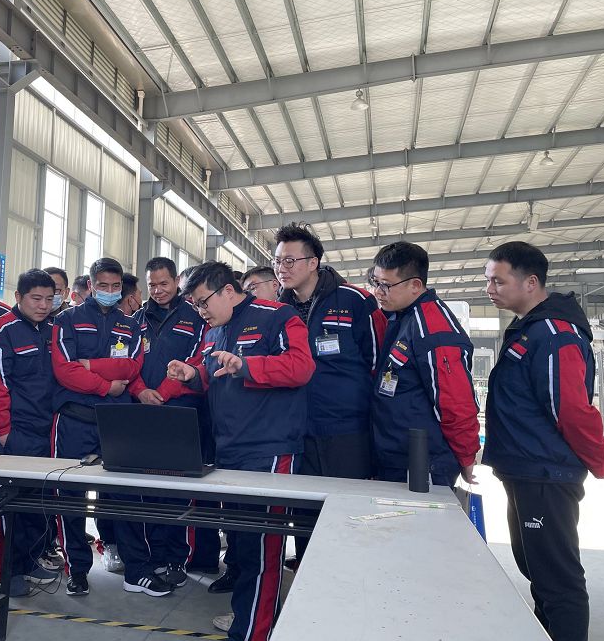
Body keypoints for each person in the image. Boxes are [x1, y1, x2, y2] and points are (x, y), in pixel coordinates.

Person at [167, 261, 315, 641]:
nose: (201, 312)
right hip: (229, 450)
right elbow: (214, 375)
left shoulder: (277, 317)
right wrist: (193, 375)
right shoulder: (215, 330)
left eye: (203, 302)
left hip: (269, 449)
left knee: (262, 550)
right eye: (195, 306)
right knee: (243, 546)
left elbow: (301, 367)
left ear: (228, 291)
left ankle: (252, 632)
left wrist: (248, 365)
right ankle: (250, 620)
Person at [483, 241, 604, 641]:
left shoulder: (555, 335)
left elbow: (571, 409)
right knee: (536, 570)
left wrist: (600, 459)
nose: (490, 289)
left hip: (546, 473)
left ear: (530, 282)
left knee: (558, 581)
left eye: (498, 281)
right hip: (526, 469)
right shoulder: (530, 329)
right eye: (488, 280)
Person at [50, 258, 171, 597]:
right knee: (69, 496)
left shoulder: (130, 325)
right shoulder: (67, 320)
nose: (109, 291)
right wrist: (106, 385)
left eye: (115, 286)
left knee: (127, 494)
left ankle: (137, 570)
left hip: (117, 422)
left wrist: (90, 365)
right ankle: (76, 570)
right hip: (74, 419)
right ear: (90, 286)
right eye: (102, 285)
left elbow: (131, 367)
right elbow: (65, 370)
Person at [274, 223, 386, 567]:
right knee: (304, 510)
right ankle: (307, 570)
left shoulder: (355, 301)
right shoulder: (277, 309)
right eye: (277, 261)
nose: (281, 268)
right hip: (297, 429)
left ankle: (348, 577)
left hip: (346, 431)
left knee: (347, 511)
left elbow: (378, 362)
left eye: (290, 261)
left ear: (313, 263)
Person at [128, 257, 215, 587]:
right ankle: (154, 556)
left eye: (164, 283)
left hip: (183, 412)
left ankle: (179, 558)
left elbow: (200, 357)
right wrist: (140, 391)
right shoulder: (137, 320)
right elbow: (129, 361)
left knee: (180, 490)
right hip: (144, 411)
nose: (158, 290)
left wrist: (163, 392)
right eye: (152, 285)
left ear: (177, 281)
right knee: (149, 490)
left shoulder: (196, 316)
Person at [0, 269, 62, 595]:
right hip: (17, 431)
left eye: (49, 299)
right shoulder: (1, 332)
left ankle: (29, 560)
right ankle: (8, 570)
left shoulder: (54, 330)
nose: (43, 305)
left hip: (48, 430)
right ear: (18, 297)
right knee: (10, 505)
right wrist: (3, 431)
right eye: (36, 299)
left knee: (38, 502)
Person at [369, 242, 480, 487]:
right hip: (398, 458)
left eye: (386, 285)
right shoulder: (403, 317)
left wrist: (466, 454)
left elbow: (455, 400)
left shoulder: (432, 327)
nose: (378, 292)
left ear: (415, 285)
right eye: (375, 282)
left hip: (424, 465)